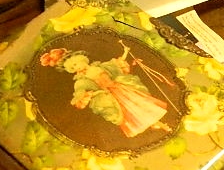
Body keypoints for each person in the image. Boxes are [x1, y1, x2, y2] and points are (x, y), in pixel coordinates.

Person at [40, 44, 171, 137]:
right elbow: (80, 92)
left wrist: (125, 51)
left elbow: (116, 63)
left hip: (119, 88)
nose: (77, 68)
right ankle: (157, 124)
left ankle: (156, 123)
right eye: (73, 67)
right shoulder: (81, 80)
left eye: (76, 64)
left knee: (139, 104)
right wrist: (85, 96)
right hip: (111, 95)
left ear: (82, 60)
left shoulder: (100, 66)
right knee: (128, 111)